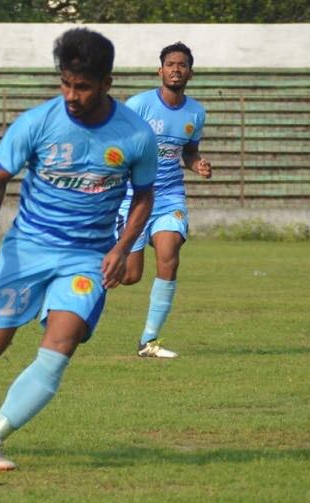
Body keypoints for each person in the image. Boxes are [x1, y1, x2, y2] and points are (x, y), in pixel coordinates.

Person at [0, 28, 156, 471]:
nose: (72, 94)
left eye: (83, 86)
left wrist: (124, 246)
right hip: (26, 250)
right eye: (66, 83)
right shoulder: (37, 123)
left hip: (88, 257)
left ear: (106, 83)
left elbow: (145, 196)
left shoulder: (135, 134)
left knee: (60, 345)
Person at [117, 42, 211, 359]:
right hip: (133, 198)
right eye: (170, 64)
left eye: (182, 64)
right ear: (160, 70)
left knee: (169, 254)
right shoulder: (139, 105)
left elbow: (188, 151)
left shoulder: (196, 112)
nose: (175, 69)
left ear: (190, 73)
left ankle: (149, 341)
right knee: (129, 276)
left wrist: (196, 164)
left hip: (170, 196)